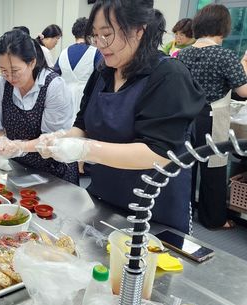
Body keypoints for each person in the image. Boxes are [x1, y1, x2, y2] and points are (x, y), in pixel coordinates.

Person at [36, 0, 206, 233]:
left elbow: (157, 152)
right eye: (95, 36)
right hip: (105, 197)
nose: (100, 44)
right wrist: (61, 139)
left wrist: (84, 150)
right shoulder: (102, 73)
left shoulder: (168, 75)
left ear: (139, 30)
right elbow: (83, 125)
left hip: (153, 207)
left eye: (107, 34)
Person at [178, 4, 247, 229]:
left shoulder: (182, 55)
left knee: (185, 167)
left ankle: (182, 212)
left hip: (186, 115)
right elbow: (243, 92)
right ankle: (212, 219)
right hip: (212, 116)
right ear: (223, 28)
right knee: (214, 169)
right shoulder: (226, 56)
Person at [0, 30, 78, 184]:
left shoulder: (53, 86)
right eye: (4, 70)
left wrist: (19, 146)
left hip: (55, 173)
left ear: (32, 62)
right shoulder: (3, 83)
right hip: (21, 170)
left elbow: (53, 141)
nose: (10, 77)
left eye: (15, 71)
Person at [56, 17, 103, 119]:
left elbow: (54, 76)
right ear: (90, 32)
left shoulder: (63, 53)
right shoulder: (95, 52)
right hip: (86, 98)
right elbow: (101, 76)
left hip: (64, 99)